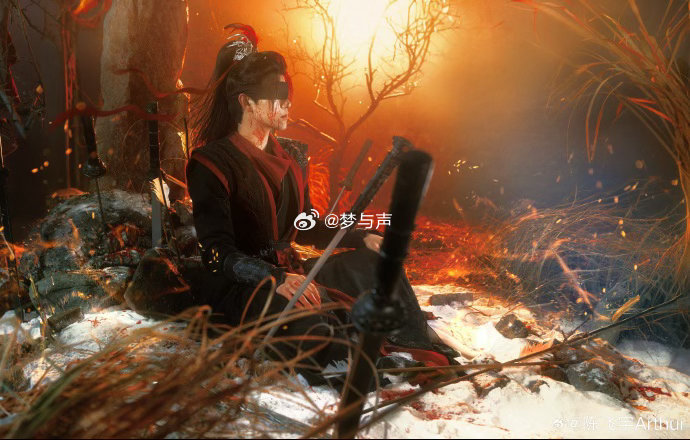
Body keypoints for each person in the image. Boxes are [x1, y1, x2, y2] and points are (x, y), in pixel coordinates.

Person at [175, 26, 439, 380]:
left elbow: (306, 224)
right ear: (247, 102)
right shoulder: (211, 162)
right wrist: (273, 277)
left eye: (287, 92)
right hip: (245, 287)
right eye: (277, 94)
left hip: (296, 274)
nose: (287, 103)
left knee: (378, 264)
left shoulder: (294, 156)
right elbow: (216, 254)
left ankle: (411, 344)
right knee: (306, 322)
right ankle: (348, 359)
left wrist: (361, 237)